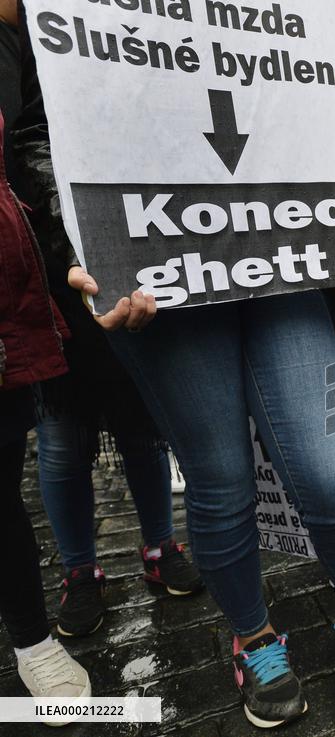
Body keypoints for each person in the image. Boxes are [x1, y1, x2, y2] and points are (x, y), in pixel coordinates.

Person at [51, 37, 335, 737]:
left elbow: (313, 82)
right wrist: (79, 247)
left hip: (283, 253)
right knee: (219, 480)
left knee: (328, 473)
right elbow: (43, 119)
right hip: (154, 262)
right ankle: (254, 636)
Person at [0, 8, 203, 643]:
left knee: (140, 427)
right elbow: (29, 140)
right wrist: (73, 245)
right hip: (54, 261)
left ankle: (159, 546)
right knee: (62, 439)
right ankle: (81, 571)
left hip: (128, 243)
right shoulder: (27, 42)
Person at [0, 3, 89, 711]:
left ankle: (32, 633)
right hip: (43, 276)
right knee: (58, 442)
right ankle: (76, 574)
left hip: (37, 288)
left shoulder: (32, 35)